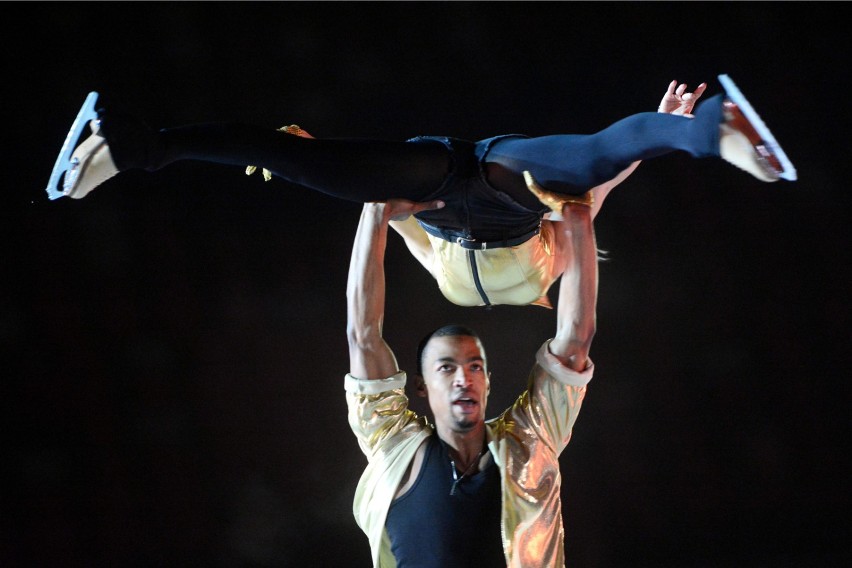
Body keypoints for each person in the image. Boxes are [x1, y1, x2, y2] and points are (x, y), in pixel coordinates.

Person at [46, 75, 796, 308]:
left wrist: (313, 161)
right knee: (597, 154)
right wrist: (651, 144)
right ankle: (702, 130)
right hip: (510, 191)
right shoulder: (556, 271)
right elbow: (592, 188)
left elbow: (392, 220)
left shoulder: (449, 287)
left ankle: (131, 147)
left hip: (433, 187)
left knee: (309, 170)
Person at [345, 192, 598, 566]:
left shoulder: (529, 443)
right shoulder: (392, 447)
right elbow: (363, 335)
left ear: (488, 381)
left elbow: (575, 341)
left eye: (475, 366)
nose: (464, 377)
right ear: (421, 386)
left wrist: (579, 222)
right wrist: (374, 211)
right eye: (446, 368)